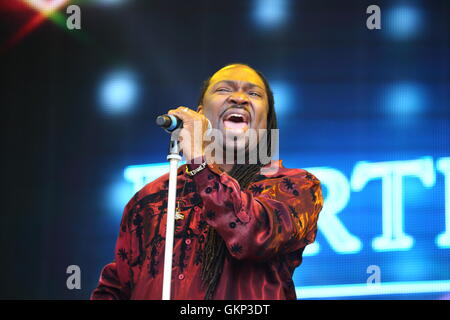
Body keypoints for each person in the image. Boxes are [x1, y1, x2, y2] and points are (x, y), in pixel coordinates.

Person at [91, 63, 323, 300]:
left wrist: (199, 161)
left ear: (265, 123)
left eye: (253, 93)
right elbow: (117, 287)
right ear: (201, 114)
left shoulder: (295, 186)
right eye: (223, 90)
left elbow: (252, 236)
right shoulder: (152, 197)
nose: (239, 98)